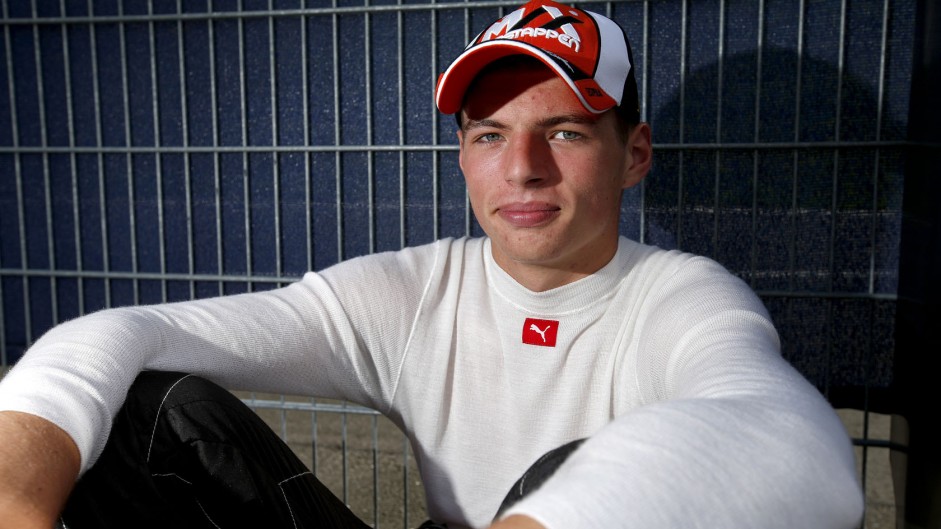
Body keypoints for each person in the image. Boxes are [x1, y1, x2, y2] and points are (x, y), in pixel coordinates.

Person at [0, 1, 865, 528]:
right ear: (462, 156)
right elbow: (125, 331)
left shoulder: (679, 296)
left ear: (633, 154)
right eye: (490, 135)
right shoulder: (415, 291)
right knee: (154, 407)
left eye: (562, 131)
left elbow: (797, 445)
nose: (521, 167)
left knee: (563, 466)